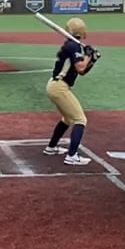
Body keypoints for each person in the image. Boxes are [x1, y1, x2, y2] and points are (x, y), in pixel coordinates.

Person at [41, 18, 97, 165]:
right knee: (80, 120)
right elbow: (80, 67)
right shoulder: (74, 46)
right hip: (59, 87)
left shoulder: (72, 45)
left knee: (67, 119)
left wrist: (91, 60)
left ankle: (51, 147)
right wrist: (89, 56)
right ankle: (72, 156)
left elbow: (82, 71)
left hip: (55, 85)